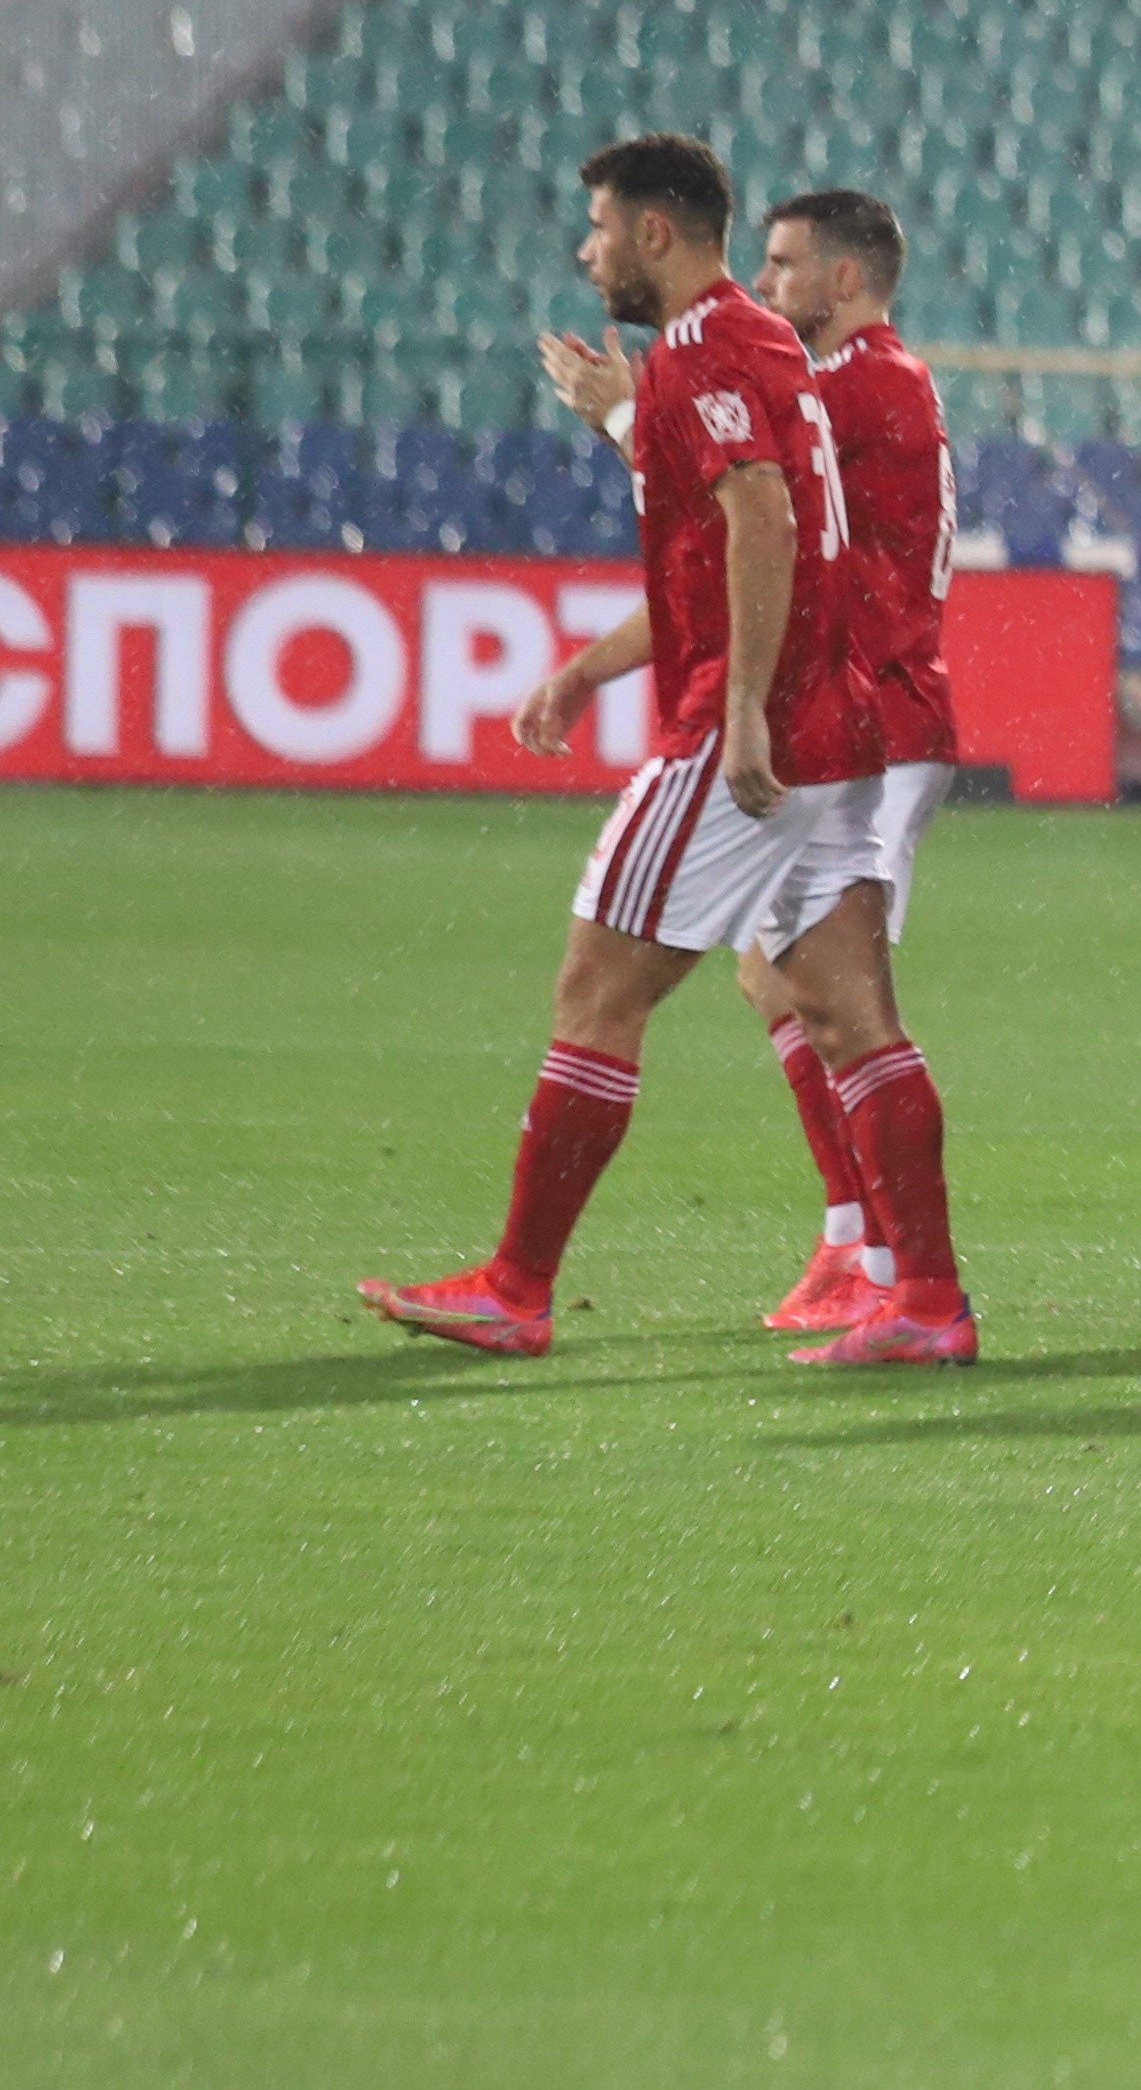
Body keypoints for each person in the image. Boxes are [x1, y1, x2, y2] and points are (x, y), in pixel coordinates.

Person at [361, 134, 974, 1365]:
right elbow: (736, 520)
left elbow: (761, 520)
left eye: (598, 228)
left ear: (653, 233)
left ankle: (517, 1289)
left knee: (598, 988)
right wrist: (590, 666)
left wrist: (740, 706)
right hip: (840, 726)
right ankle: (923, 1299)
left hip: (754, 731)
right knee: (847, 1012)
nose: (586, 251)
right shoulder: (762, 350)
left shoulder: (710, 351)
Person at [534, 188, 958, 1338]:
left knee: (838, 1003)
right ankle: (862, 1246)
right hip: (865, 710)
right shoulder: (859, 381)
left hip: (872, 716)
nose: (762, 287)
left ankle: (885, 1263)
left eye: (781, 265)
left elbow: (745, 512)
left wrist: (629, 416)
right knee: (782, 982)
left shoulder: (856, 384)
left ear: (846, 280)